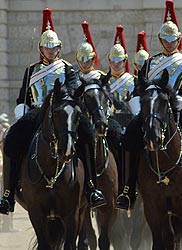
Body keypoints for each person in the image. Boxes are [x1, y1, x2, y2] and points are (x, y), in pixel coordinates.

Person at [116, 0, 182, 211]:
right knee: (128, 137)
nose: (169, 43)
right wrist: (141, 113)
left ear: (179, 40)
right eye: (165, 39)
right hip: (153, 112)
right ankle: (128, 190)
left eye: (173, 39)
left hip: (178, 111)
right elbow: (136, 91)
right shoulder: (149, 64)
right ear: (160, 40)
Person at [0, 9, 105, 215]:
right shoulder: (31, 70)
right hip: (37, 113)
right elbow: (23, 98)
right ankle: (8, 194)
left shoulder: (67, 68)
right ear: (41, 48)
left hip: (62, 112)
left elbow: (75, 89)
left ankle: (92, 188)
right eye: (47, 47)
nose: (51, 50)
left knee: (89, 135)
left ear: (59, 48)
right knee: (11, 139)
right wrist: (22, 112)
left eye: (54, 46)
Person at [107, 25, 139, 129]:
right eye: (113, 61)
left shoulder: (134, 81)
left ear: (124, 61)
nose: (116, 64)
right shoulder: (103, 81)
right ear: (109, 61)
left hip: (130, 122)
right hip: (109, 122)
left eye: (119, 61)